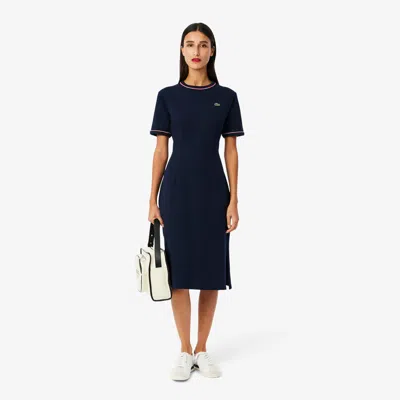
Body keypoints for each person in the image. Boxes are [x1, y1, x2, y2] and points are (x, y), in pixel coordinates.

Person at [148, 22, 245, 381]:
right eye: (190, 44)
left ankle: (202, 349)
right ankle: (184, 350)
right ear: (181, 50)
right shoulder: (167, 96)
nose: (196, 51)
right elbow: (161, 151)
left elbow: (231, 151)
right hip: (176, 192)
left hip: (213, 193)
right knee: (178, 275)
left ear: (212, 51)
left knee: (209, 273)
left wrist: (234, 199)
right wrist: (152, 198)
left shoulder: (227, 97)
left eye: (203, 45)